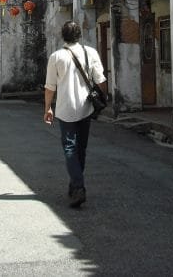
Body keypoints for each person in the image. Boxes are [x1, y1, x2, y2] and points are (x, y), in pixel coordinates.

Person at [44, 20, 107, 208]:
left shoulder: (56, 57)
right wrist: (104, 98)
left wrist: (47, 107)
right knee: (81, 149)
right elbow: (101, 80)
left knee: (70, 149)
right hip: (85, 108)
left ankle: (77, 187)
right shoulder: (91, 52)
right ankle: (75, 187)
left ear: (63, 36)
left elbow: (50, 87)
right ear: (79, 35)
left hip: (65, 109)